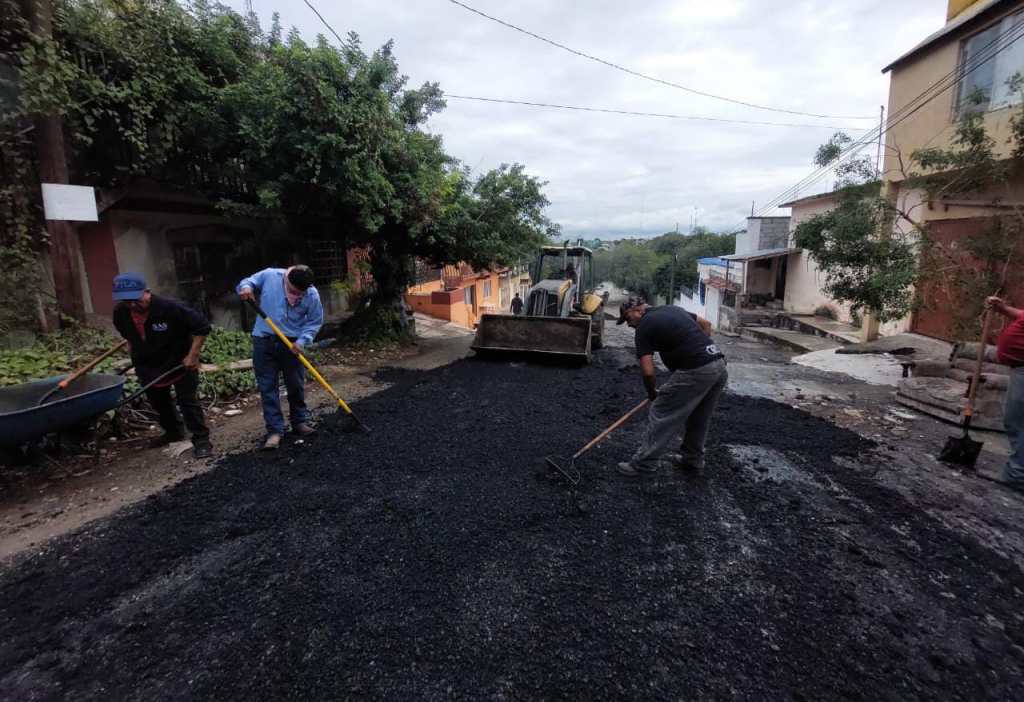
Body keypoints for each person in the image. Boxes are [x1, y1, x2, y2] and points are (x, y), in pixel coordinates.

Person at [615, 296, 727, 477]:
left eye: (628, 319)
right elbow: (705, 324)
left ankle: (644, 464)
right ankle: (692, 460)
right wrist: (699, 350)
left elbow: (648, 371)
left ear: (637, 311)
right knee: (699, 416)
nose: (628, 324)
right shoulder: (672, 309)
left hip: (698, 369)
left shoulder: (644, 327)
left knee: (661, 410)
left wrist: (652, 393)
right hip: (718, 364)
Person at [111, 273, 213, 459]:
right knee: (159, 401)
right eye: (127, 301)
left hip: (180, 361)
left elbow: (202, 327)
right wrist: (134, 349)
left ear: (147, 292)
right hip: (148, 364)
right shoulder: (121, 312)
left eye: (136, 299)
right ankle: (173, 432)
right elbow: (127, 334)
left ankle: (201, 440)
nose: (132, 305)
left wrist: (193, 355)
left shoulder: (170, 307)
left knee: (187, 401)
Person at [237, 265, 324, 450]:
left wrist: (302, 341)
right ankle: (275, 431)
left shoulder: (311, 294)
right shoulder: (270, 276)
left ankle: (299, 422)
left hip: (292, 344)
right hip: (264, 340)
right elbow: (247, 281)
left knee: (295, 384)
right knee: (268, 387)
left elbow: (314, 321)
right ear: (286, 280)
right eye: (293, 291)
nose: (297, 295)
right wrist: (246, 289)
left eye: (300, 292)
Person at [987, 296, 1024, 491]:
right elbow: (1021, 315)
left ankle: (1018, 475)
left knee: (1018, 422)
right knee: (1015, 420)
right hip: (1019, 370)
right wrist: (1002, 308)